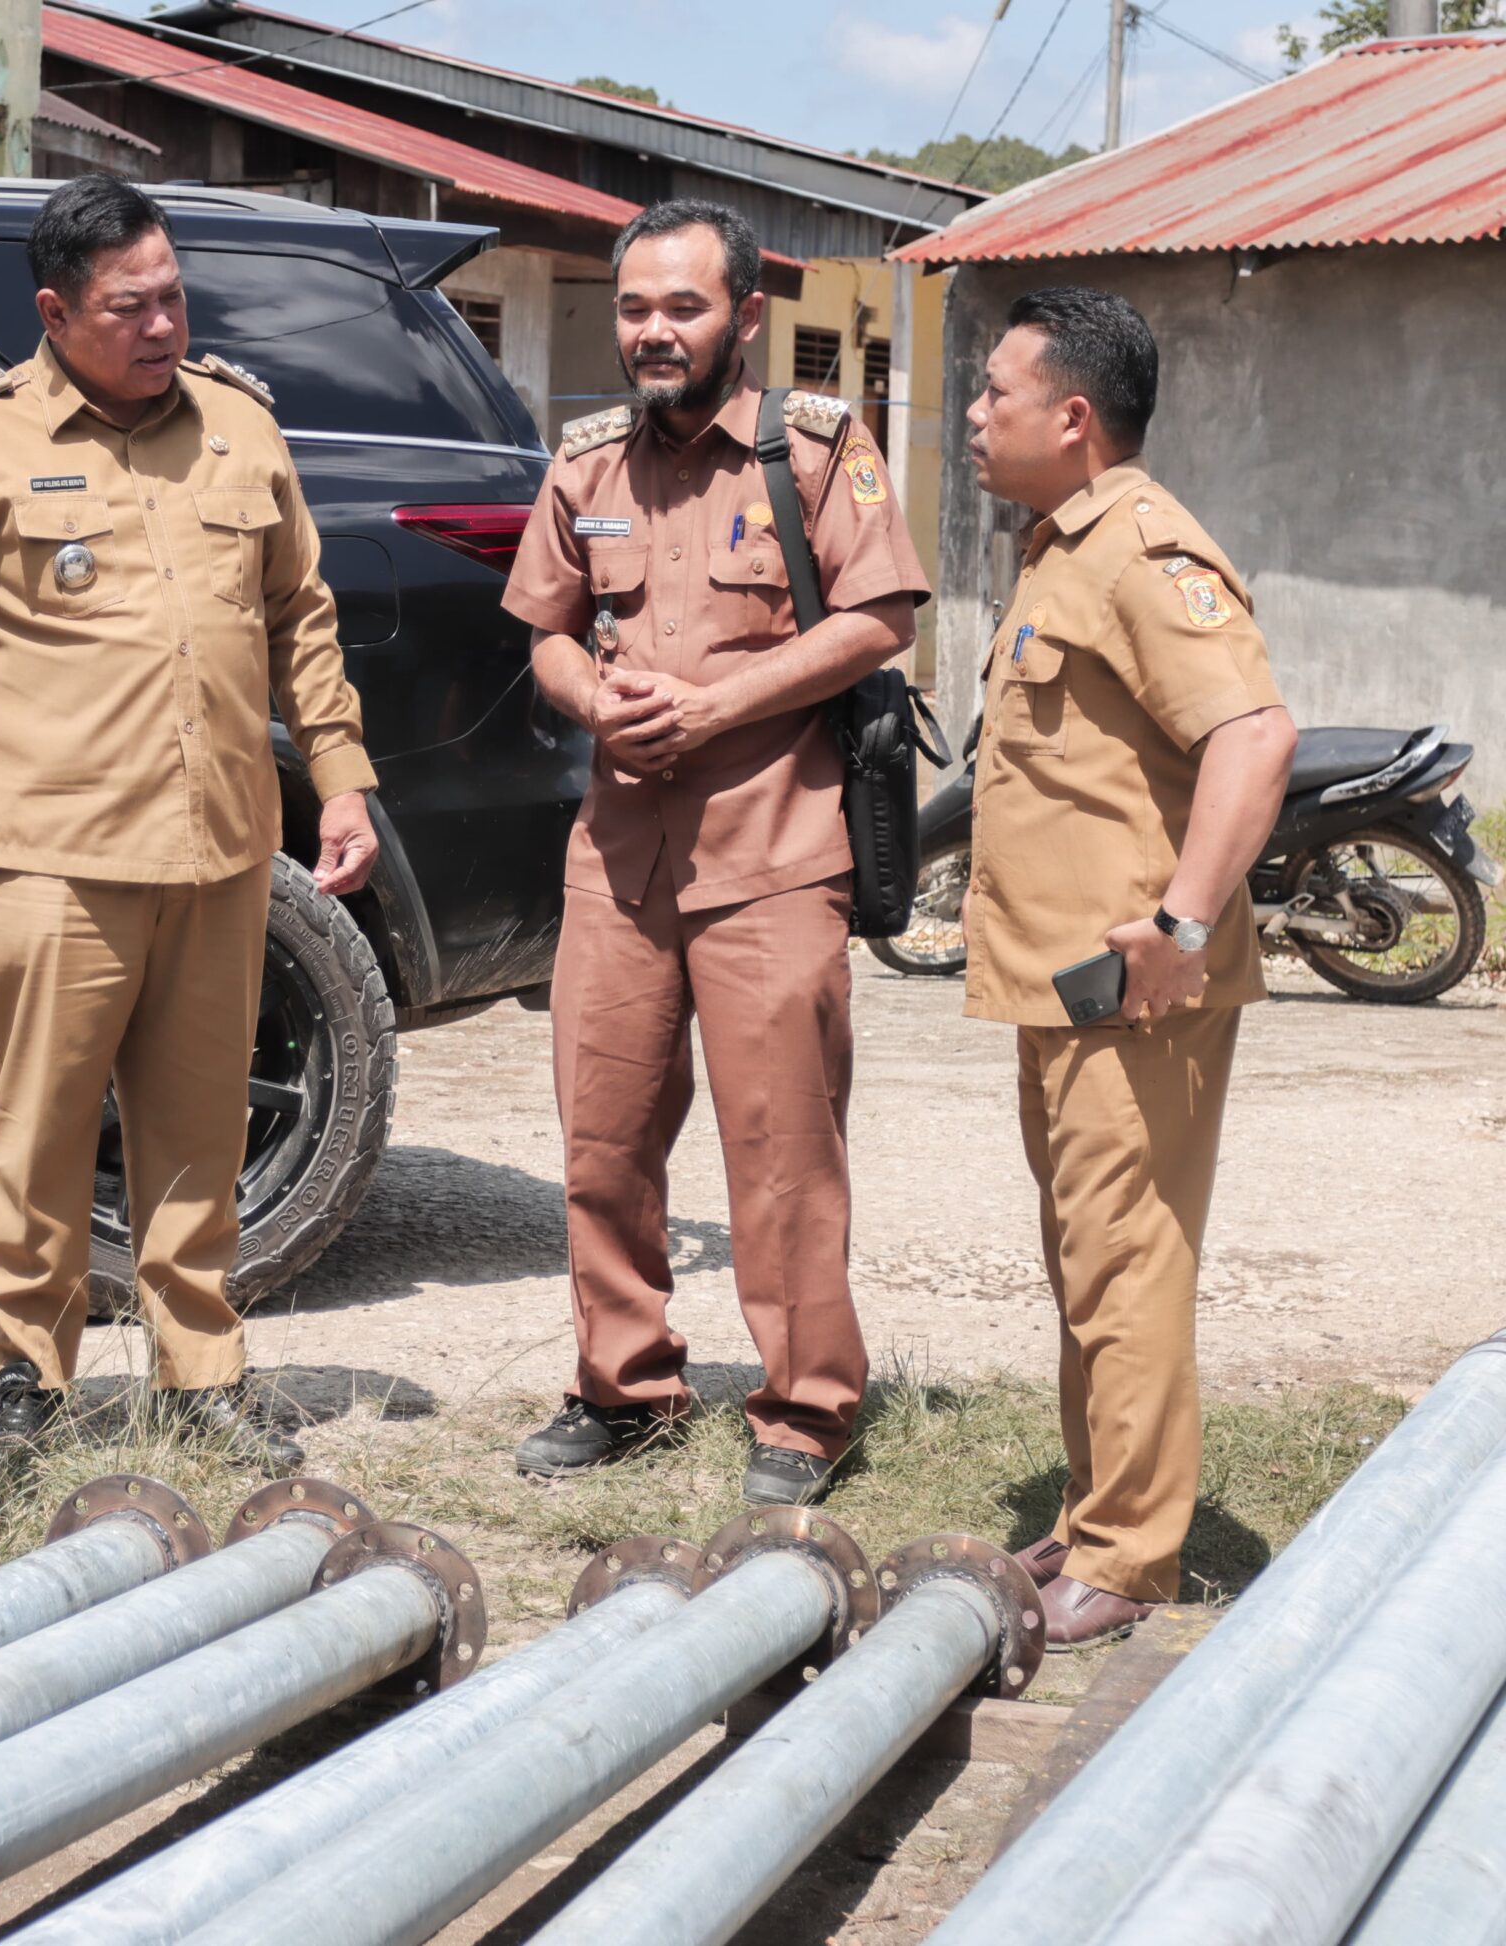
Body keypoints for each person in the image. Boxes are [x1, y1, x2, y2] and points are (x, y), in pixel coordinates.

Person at [0, 173, 380, 1471]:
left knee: (201, 1122)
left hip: (219, 843)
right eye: (128, 307)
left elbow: (301, 617)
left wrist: (347, 773)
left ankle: (200, 1367)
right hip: (52, 854)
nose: (160, 326)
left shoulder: (241, 429)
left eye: (173, 297)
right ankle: (27, 1370)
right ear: (55, 310)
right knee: (34, 1122)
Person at [501, 199, 927, 1506]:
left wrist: (718, 705)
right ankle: (625, 1385)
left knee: (781, 1144)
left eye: (682, 307)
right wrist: (593, 699)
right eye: (635, 308)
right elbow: (548, 632)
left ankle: (804, 1406)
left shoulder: (817, 451)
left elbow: (880, 619)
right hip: (619, 860)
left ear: (744, 316)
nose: (653, 331)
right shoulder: (585, 469)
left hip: (776, 852)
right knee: (603, 1141)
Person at [962, 287, 1295, 1649]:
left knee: (1130, 1262)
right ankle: (1098, 1509)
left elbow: (1256, 737)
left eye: (995, 394)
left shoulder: (1143, 549)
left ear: (1074, 416)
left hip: (1134, 992)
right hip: (1065, 991)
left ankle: (1130, 1553)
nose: (975, 415)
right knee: (1086, 1263)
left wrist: (1187, 925)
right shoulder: (1060, 549)